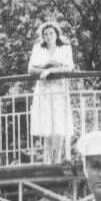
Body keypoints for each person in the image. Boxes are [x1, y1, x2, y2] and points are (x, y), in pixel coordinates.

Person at [28, 21, 77, 161]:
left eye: (51, 33)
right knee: (47, 124)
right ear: (42, 36)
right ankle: (47, 160)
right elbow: (31, 69)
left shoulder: (65, 48)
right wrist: (46, 66)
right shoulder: (38, 48)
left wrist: (51, 70)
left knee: (59, 124)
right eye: (45, 34)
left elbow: (69, 67)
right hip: (44, 90)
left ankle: (58, 158)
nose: (48, 36)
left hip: (59, 90)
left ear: (56, 34)